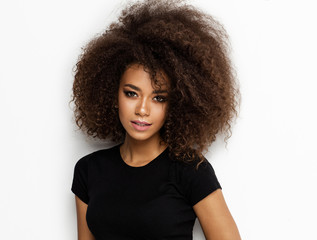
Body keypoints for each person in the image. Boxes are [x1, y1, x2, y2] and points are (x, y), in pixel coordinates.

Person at [70, 0, 241, 239]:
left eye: (158, 98)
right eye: (131, 93)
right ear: (112, 94)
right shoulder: (89, 171)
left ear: (176, 104)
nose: (142, 109)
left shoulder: (190, 170)